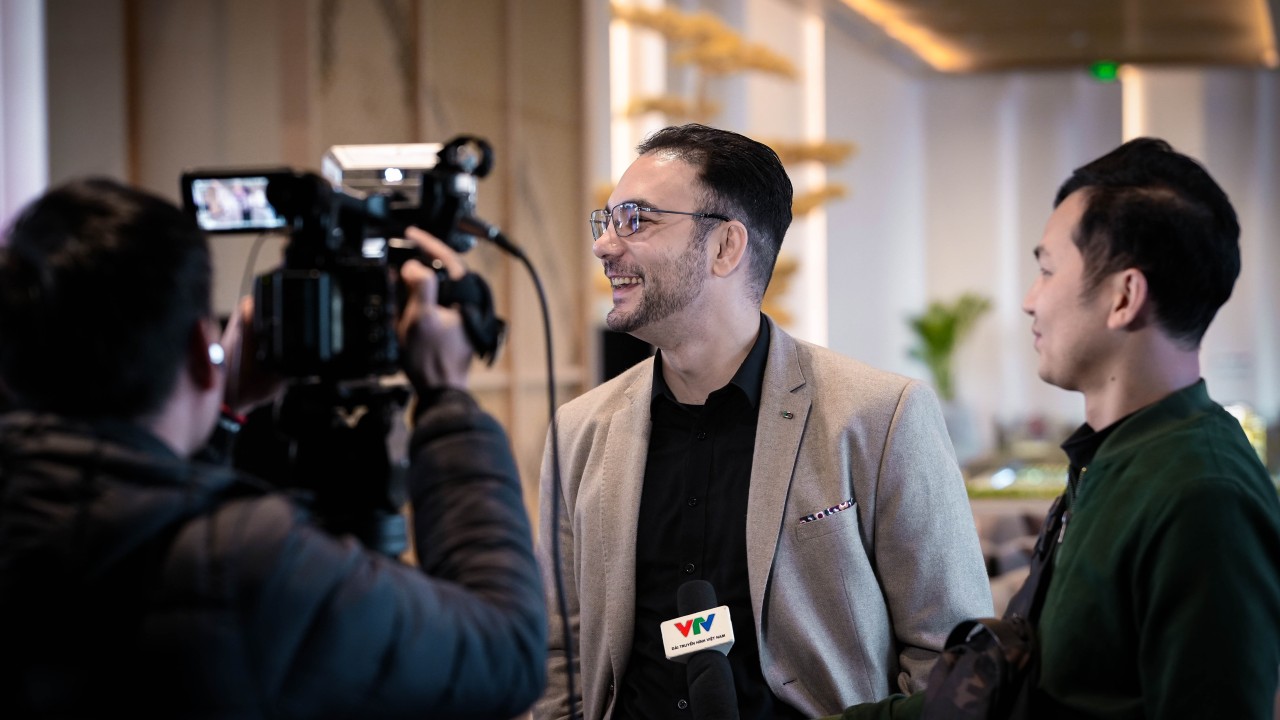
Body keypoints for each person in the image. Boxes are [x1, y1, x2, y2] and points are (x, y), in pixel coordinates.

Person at [0, 178, 547, 717]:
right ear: (202, 350)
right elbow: (507, 653)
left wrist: (224, 413)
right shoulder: (248, 563)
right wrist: (447, 398)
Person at [534, 124, 992, 720]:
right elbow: (558, 651)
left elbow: (951, 656)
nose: (604, 245)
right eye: (608, 220)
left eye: (636, 220)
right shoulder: (579, 430)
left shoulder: (880, 415)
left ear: (726, 246)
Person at [826, 138, 1280, 720]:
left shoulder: (1201, 495)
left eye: (1046, 270)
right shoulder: (1112, 460)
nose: (1029, 300)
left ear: (1123, 297)